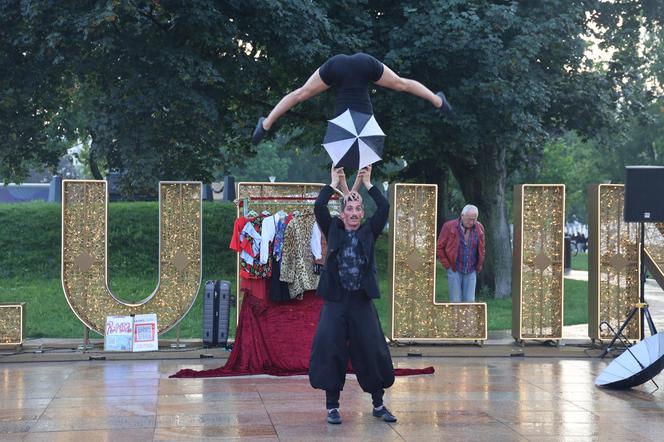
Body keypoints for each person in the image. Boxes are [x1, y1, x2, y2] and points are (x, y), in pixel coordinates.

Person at [309, 164, 397, 425]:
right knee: (331, 349)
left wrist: (368, 184)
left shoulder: (369, 232)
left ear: (362, 214)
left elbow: (384, 208)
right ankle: (332, 407)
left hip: (361, 302)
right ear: (343, 213)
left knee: (371, 350)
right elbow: (319, 208)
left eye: (358, 209)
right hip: (336, 302)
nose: (355, 212)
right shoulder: (333, 229)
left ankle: (378, 404)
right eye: (350, 208)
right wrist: (333, 182)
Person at [252, 52, 452, 144]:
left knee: (302, 93)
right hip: (357, 67)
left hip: (344, 68)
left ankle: (266, 124)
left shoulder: (352, 126)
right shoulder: (356, 126)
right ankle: (438, 100)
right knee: (401, 83)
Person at [436, 205, 485, 303]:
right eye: (469, 219)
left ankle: (469, 319)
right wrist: (447, 266)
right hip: (454, 268)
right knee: (455, 301)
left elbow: (482, 248)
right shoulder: (449, 226)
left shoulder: (479, 227)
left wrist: (479, 266)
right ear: (462, 215)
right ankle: (455, 319)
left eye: (474, 219)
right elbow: (439, 247)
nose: (471, 222)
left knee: (470, 302)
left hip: (471, 269)